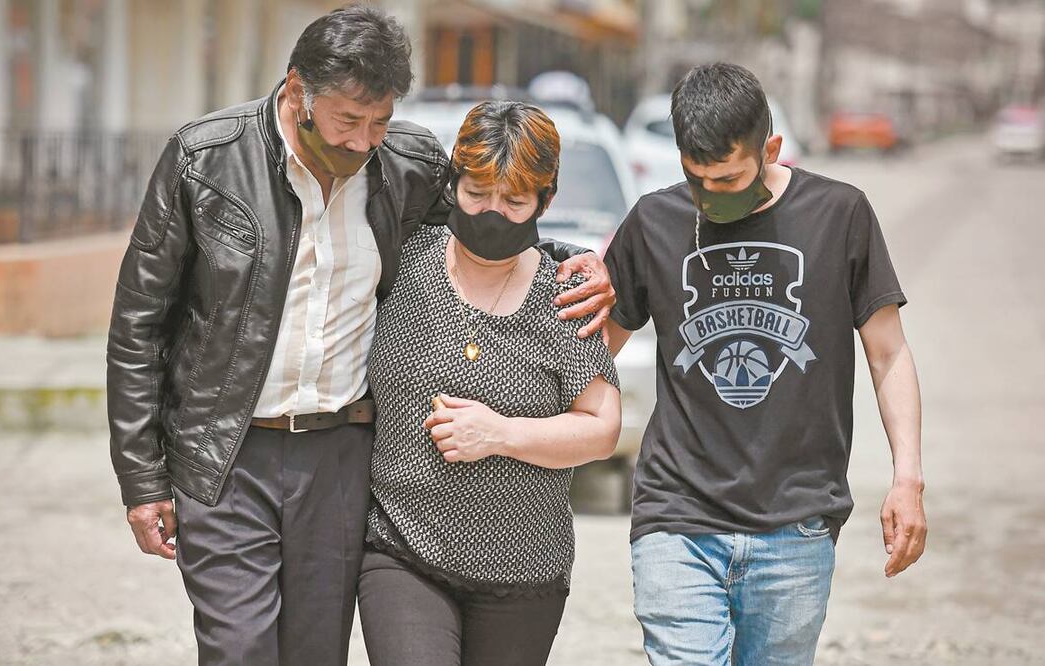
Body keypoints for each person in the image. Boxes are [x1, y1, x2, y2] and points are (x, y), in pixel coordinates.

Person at [105, 7, 615, 665]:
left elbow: (484, 233)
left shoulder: (401, 164)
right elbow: (137, 325)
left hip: (339, 455)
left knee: (314, 652)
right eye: (347, 121)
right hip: (226, 450)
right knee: (239, 649)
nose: (361, 141)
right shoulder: (206, 159)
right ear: (297, 93)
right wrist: (141, 478)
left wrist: (573, 260)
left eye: (378, 122)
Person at [603, 62, 927, 665]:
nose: (712, 197)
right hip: (678, 512)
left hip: (796, 521)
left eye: (729, 179)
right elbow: (595, 353)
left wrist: (906, 479)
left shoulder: (840, 214)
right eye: (697, 180)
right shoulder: (654, 221)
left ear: (770, 148)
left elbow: (889, 355)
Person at [355, 100, 622, 666]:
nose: (493, 212)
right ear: (454, 182)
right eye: (478, 192)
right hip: (402, 548)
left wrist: (500, 434)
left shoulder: (564, 294)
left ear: (545, 201)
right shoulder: (404, 260)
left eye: (515, 200)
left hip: (524, 570)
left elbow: (602, 429)